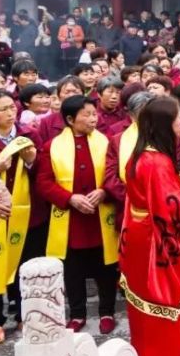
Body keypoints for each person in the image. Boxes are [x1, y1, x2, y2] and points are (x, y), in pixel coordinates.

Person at [118, 96, 180, 356]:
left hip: (139, 240)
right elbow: (171, 214)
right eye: (178, 118)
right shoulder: (158, 162)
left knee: (144, 317)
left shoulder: (140, 154)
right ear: (167, 123)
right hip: (155, 244)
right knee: (161, 313)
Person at [35, 95, 120, 333]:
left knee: (105, 268)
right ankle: (77, 313)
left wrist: (104, 192)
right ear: (70, 119)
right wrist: (69, 198)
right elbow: (43, 183)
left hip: (100, 216)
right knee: (73, 270)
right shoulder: (52, 146)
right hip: (71, 219)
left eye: (95, 114)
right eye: (87, 115)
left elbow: (116, 174)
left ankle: (107, 312)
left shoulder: (106, 142)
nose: (94, 119)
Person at [0, 90, 39, 344]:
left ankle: (23, 314)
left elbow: (46, 173)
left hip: (24, 214)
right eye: (3, 109)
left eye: (12, 108)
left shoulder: (28, 134)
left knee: (24, 264)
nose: (10, 113)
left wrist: (31, 162)